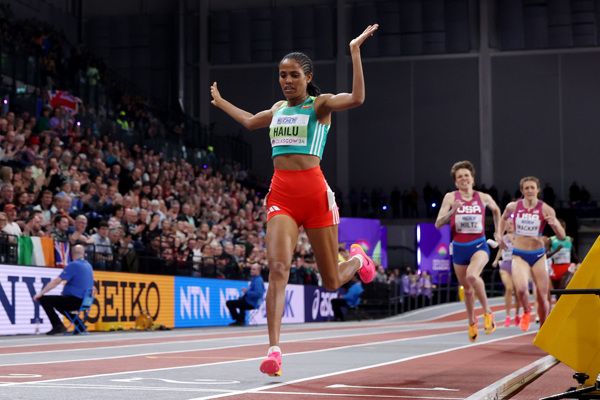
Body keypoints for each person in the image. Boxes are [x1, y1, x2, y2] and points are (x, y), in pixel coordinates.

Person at [210, 24, 379, 376]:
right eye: (282, 75)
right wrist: (221, 102)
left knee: (332, 281)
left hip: (315, 195)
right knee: (278, 269)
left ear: (307, 77)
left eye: (293, 75)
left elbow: (358, 98)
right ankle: (274, 350)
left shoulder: (320, 106)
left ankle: (358, 259)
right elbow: (248, 121)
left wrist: (355, 51)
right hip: (282, 195)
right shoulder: (276, 110)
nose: (286, 81)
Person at [435, 160, 502, 342]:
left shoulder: (483, 197)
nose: (463, 179)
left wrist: (497, 231)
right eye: (459, 177)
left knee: (473, 276)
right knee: (468, 289)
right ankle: (472, 321)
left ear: (472, 179)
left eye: (466, 175)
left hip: (479, 245)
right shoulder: (450, 197)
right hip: (458, 248)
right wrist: (452, 212)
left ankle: (488, 313)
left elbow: (496, 211)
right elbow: (438, 223)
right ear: (456, 182)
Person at [500, 176, 565, 332]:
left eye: (532, 188)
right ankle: (527, 311)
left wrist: (555, 224)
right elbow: (503, 219)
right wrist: (498, 235)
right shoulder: (513, 207)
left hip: (538, 255)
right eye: (526, 188)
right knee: (521, 289)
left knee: (543, 297)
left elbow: (562, 236)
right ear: (522, 190)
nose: (529, 190)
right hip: (519, 254)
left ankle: (544, 329)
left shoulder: (546, 209)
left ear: (538, 190)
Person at [33, 245, 95, 335]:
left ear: (71, 254)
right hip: (85, 301)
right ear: (83, 254)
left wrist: (41, 293)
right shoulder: (88, 265)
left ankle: (58, 325)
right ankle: (80, 325)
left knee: (44, 299)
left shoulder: (73, 265)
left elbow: (56, 281)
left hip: (75, 301)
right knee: (60, 304)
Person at [491, 219, 520, 327]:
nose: (509, 226)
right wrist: (495, 260)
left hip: (516, 265)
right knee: (508, 288)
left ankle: (517, 314)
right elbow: (501, 249)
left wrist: (512, 240)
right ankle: (507, 316)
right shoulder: (503, 237)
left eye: (511, 224)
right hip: (505, 265)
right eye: (507, 225)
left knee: (517, 292)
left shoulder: (518, 237)